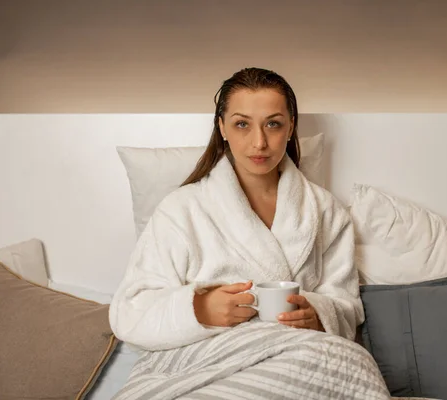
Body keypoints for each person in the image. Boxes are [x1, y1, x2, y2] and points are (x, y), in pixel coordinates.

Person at [109, 67, 365, 351]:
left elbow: (347, 307)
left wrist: (316, 315)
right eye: (242, 124)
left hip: (303, 354)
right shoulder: (181, 210)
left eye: (273, 124)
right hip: (211, 359)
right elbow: (129, 311)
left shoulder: (326, 211)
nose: (259, 143)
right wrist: (200, 309)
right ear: (222, 128)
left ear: (291, 127)